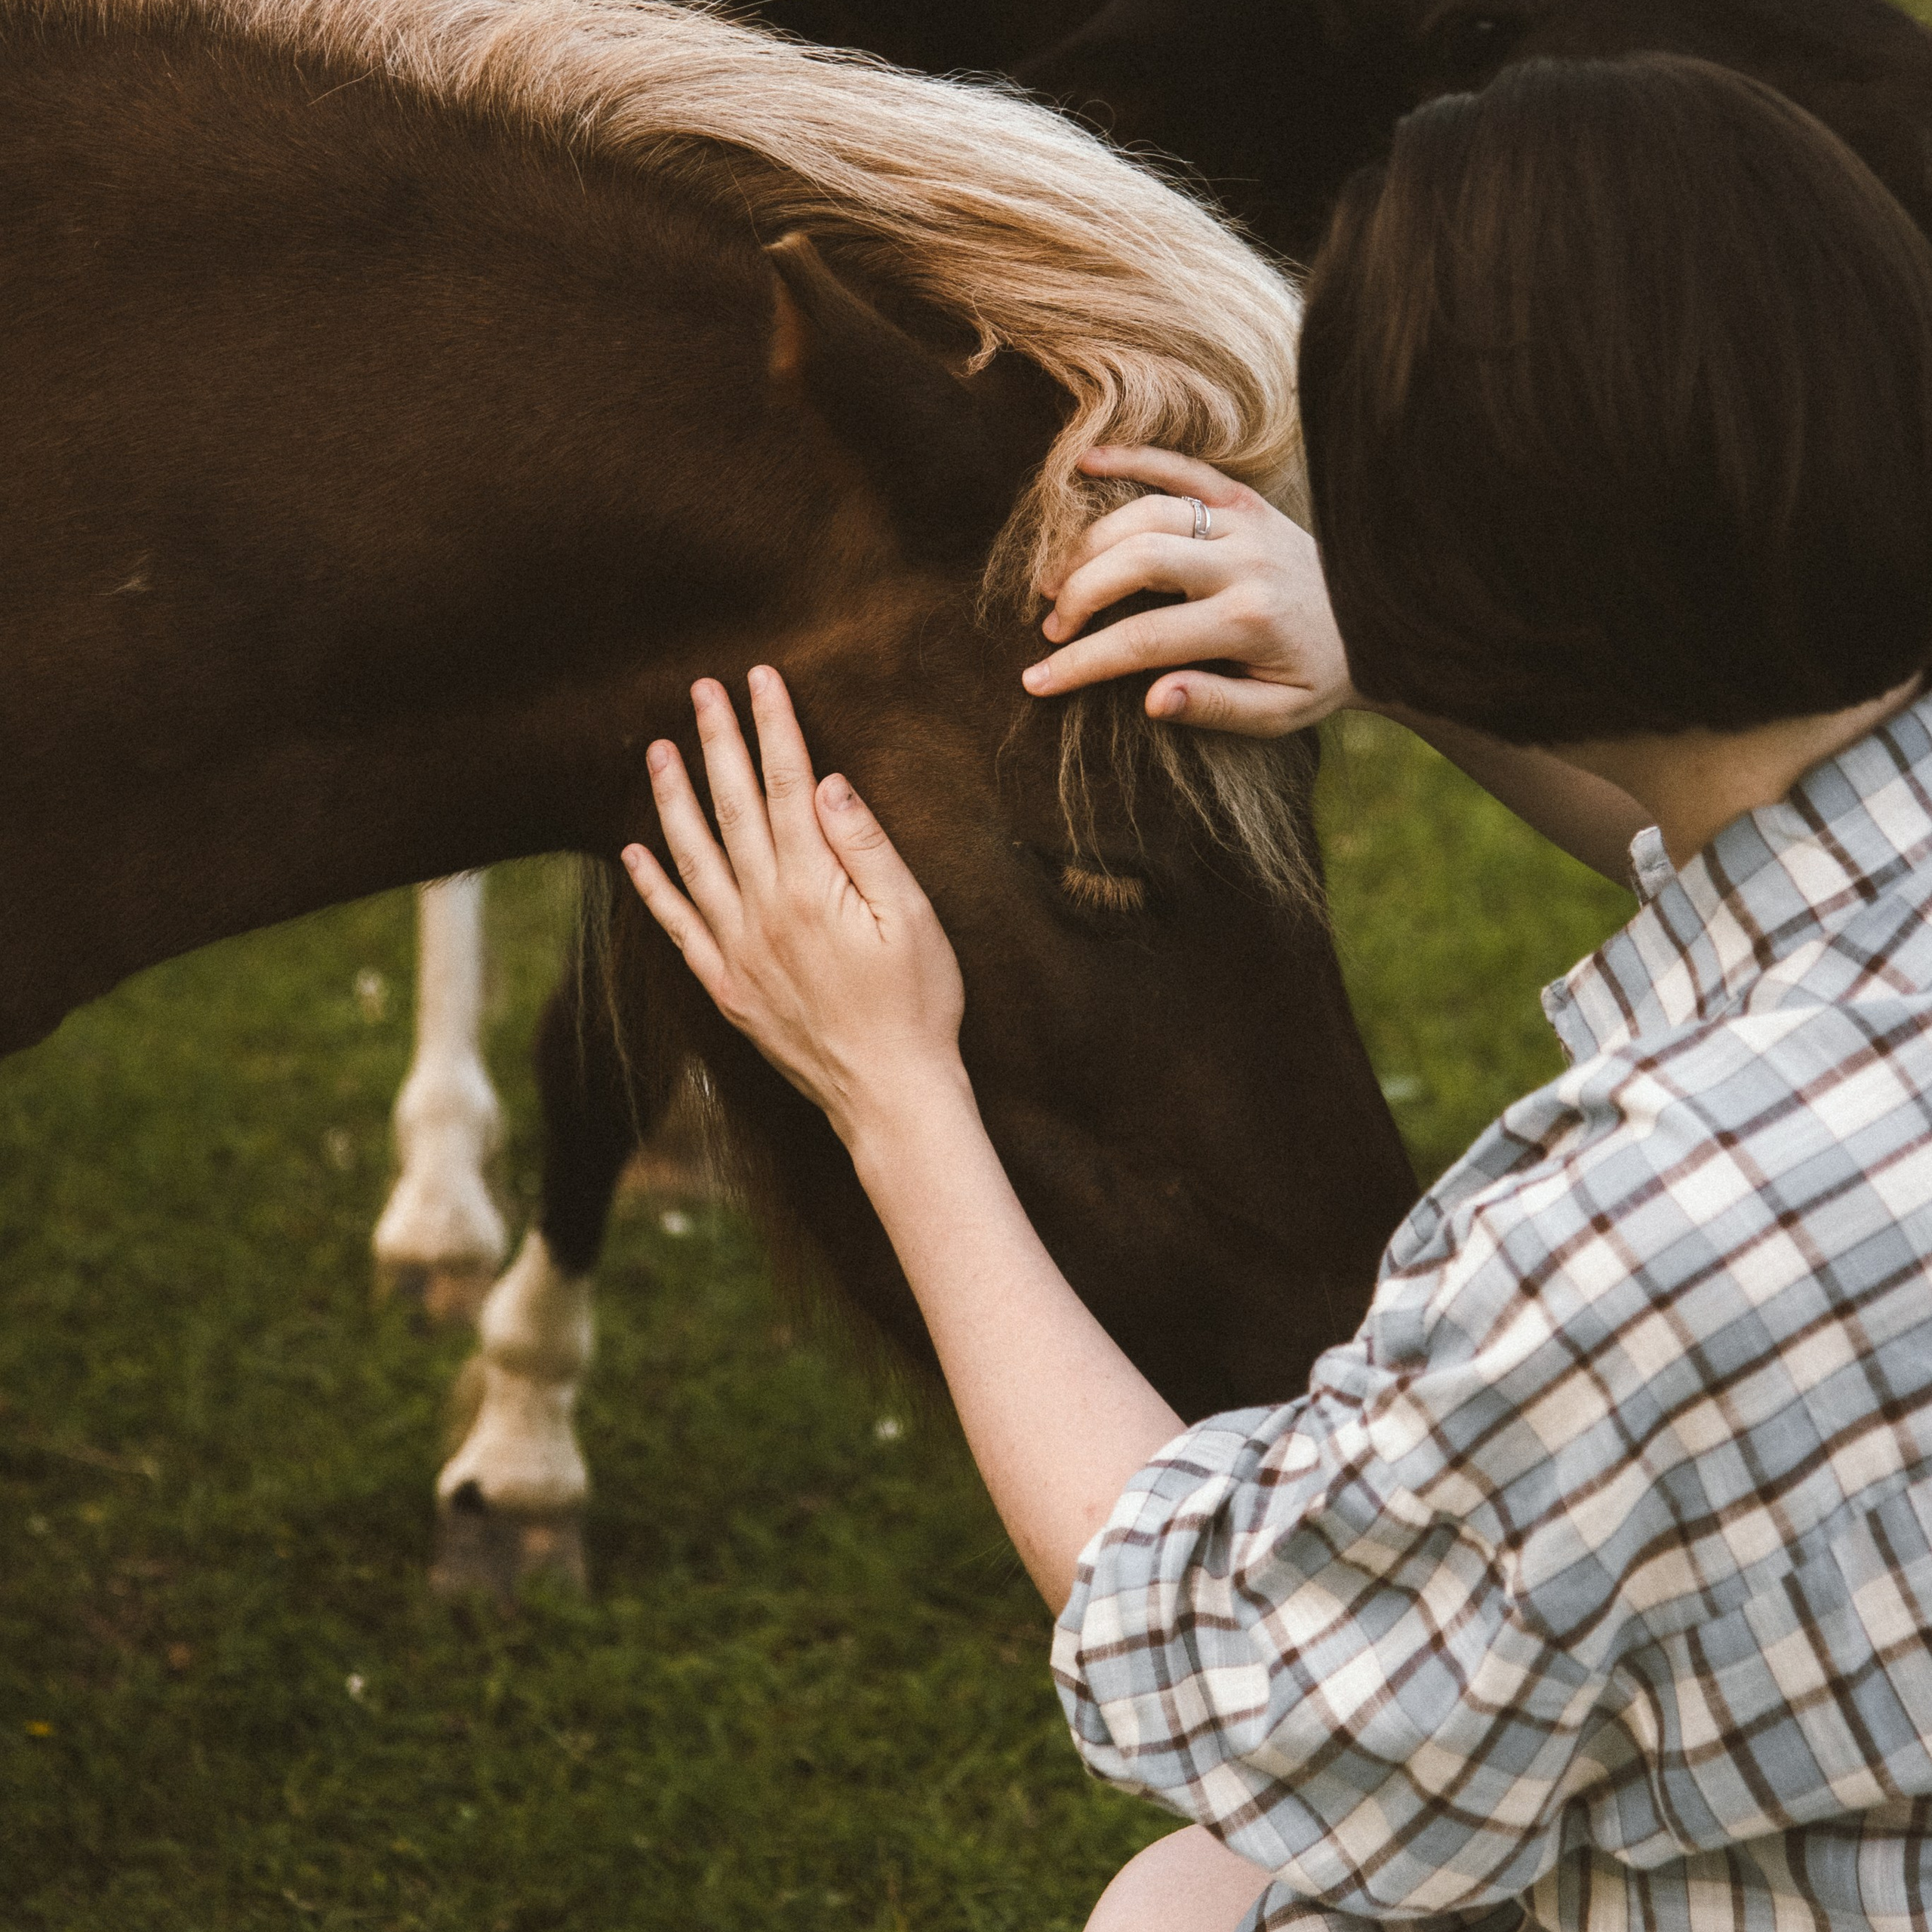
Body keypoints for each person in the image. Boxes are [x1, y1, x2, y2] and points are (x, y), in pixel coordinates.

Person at [620, 54, 1932, 1932]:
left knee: (1187, 1898)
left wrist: (892, 1091)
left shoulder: (1635, 1248)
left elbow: (1247, 1662)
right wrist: (1397, 652)